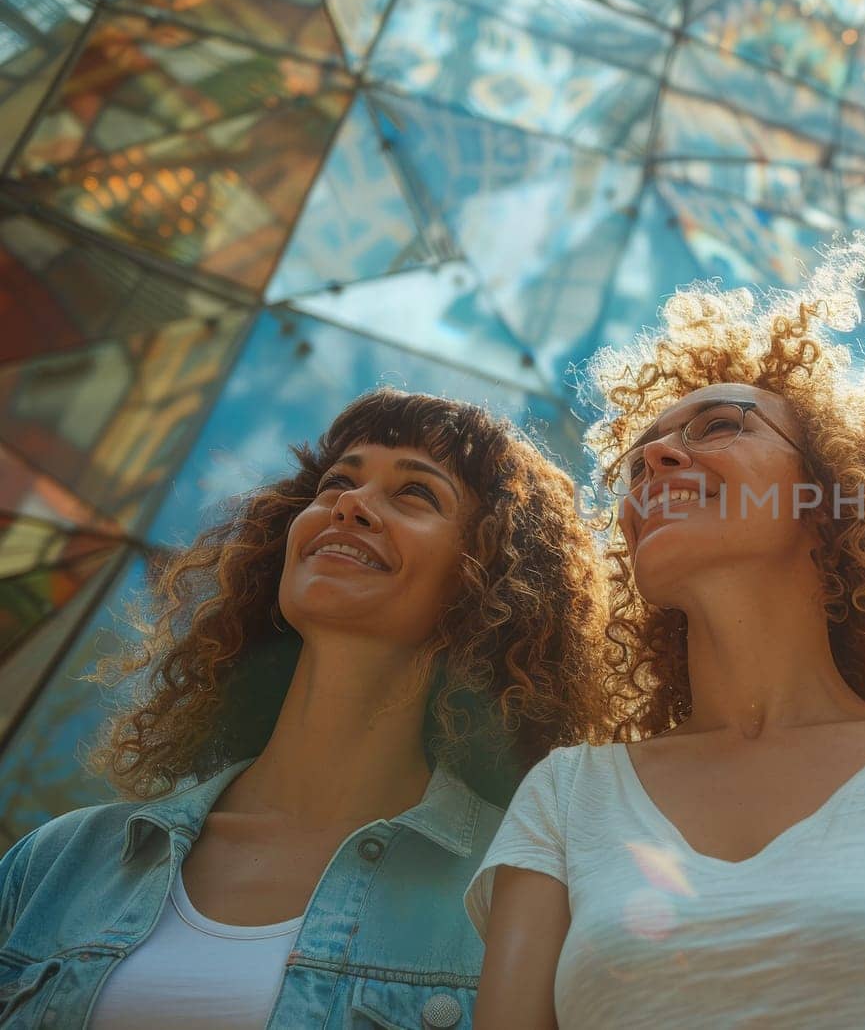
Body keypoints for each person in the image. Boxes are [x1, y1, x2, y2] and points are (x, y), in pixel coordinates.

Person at [469, 239, 865, 1029]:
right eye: (638, 461)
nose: (657, 457)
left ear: (830, 497)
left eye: (721, 426)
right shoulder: (566, 800)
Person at [0, 390, 609, 1029]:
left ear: (489, 582)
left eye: (415, 494)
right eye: (338, 482)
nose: (350, 504)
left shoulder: (520, 892)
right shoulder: (60, 863)